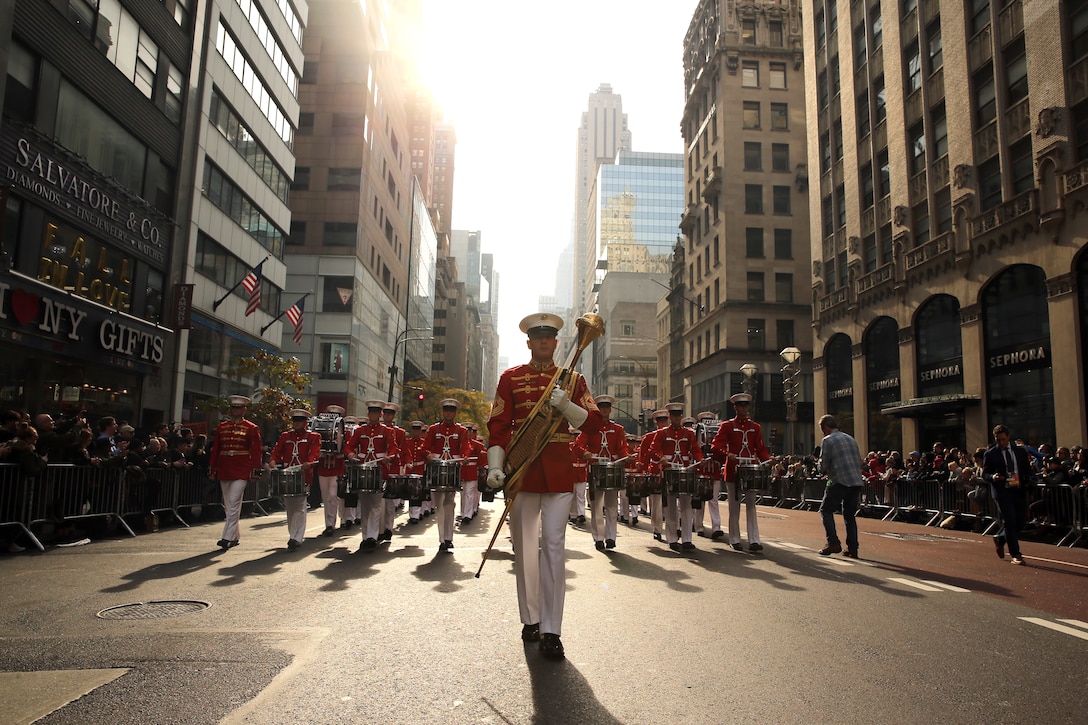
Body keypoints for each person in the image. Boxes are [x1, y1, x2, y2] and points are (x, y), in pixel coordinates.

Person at [485, 312, 603, 659]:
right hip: (522, 471)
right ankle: (531, 618)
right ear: (529, 343)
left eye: (548, 338)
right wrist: (495, 467)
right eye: (537, 338)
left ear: (556, 343)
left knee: (553, 547)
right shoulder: (510, 378)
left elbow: (594, 424)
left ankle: (552, 629)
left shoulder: (573, 381)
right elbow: (499, 426)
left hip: (557, 470)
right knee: (524, 549)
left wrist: (566, 406)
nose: (542, 343)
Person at [710, 393, 772, 552]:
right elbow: (716, 446)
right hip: (734, 470)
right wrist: (726, 455)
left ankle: (754, 540)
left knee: (751, 505)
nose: (744, 408)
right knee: (734, 506)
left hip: (750, 469)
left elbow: (761, 449)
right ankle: (735, 539)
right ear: (735, 407)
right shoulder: (727, 426)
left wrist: (769, 459)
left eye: (746, 406)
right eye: (740, 406)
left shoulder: (755, 427)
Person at [575, 394, 630, 551]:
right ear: (597, 410)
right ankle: (599, 537)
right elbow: (578, 446)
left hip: (612, 469)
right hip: (595, 470)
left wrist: (626, 457)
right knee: (597, 506)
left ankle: (611, 537)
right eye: (602, 408)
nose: (605, 410)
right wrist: (585, 453)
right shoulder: (589, 429)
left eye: (607, 407)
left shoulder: (618, 429)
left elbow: (623, 447)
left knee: (612, 506)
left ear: (610, 410)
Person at [208, 395, 263, 550]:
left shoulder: (251, 428)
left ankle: (226, 537)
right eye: (233, 407)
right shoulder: (222, 427)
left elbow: (256, 451)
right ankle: (235, 535)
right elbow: (216, 450)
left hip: (242, 468)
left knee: (233, 503)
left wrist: (255, 472)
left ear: (244, 409)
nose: (236, 410)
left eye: (239, 408)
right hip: (225, 468)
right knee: (229, 505)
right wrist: (212, 468)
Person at [344, 401, 399, 552]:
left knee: (375, 505)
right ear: (368, 414)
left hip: (379, 470)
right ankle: (365, 536)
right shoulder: (360, 430)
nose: (374, 415)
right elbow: (349, 445)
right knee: (365, 505)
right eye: (371, 412)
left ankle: (372, 537)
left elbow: (394, 447)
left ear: (380, 415)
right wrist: (349, 453)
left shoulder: (387, 431)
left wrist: (390, 456)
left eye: (376, 413)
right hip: (362, 469)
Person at [651, 402, 704, 552]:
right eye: (673, 415)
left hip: (685, 471)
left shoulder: (689, 433)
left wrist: (700, 460)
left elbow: (695, 450)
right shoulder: (661, 433)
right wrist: (660, 458)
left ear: (681, 416)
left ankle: (687, 539)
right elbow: (654, 449)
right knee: (671, 507)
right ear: (669, 417)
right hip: (669, 471)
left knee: (687, 506)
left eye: (678, 415)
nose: (676, 418)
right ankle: (672, 538)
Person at [421, 398, 472, 552]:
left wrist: (464, 457)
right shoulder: (433, 429)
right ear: (443, 412)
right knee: (439, 506)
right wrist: (428, 455)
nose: (448, 413)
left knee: (449, 504)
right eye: (446, 410)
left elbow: (466, 447)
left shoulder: (462, 430)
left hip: (453, 468)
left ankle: (448, 538)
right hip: (437, 468)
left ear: (455, 413)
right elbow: (425, 447)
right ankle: (442, 538)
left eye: (451, 410)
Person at [269, 409, 322, 550]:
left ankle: (297, 537)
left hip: (303, 474)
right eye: (295, 421)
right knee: (290, 506)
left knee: (300, 506)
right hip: (287, 473)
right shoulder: (286, 436)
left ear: (305, 422)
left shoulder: (313, 436)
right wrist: (273, 460)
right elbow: (277, 451)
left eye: (300, 421)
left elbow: (315, 452)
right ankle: (293, 534)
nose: (297, 423)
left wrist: (309, 462)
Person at [982, 424, 1032, 565]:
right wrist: (994, 477)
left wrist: (1031, 479)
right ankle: (1016, 554)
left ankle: (1001, 538)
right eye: (998, 440)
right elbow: (985, 474)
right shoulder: (990, 454)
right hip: (1002, 492)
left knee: (1020, 522)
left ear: (1008, 437)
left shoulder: (1020, 452)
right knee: (1009, 521)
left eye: (1003, 439)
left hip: (1018, 490)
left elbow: (1027, 470)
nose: (1001, 443)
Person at [815, 414, 865, 557]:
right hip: (855, 481)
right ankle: (853, 547)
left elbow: (823, 465)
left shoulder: (828, 440)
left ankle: (833, 542)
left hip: (839, 480)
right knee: (849, 515)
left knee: (826, 510)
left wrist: (819, 467)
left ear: (825, 427)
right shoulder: (850, 438)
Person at [314, 405, 348, 536]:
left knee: (333, 496)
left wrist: (342, 453)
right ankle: (328, 523)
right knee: (325, 497)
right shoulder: (320, 431)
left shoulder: (344, 430)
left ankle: (331, 524)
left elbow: (348, 446)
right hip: (324, 467)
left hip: (337, 468)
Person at [380, 402, 409, 541]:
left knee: (390, 502)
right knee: (378, 502)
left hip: (393, 468)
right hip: (378, 469)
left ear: (393, 416)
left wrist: (405, 465)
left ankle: (388, 528)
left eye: (390, 414)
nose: (388, 416)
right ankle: (379, 530)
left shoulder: (400, 432)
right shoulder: (377, 429)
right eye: (386, 414)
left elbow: (404, 450)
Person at [460, 423, 486, 524]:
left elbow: (481, 459)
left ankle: (468, 514)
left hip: (472, 471)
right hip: (462, 471)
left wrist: (480, 470)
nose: (468, 433)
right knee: (463, 494)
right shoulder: (460, 444)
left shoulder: (478, 445)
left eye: (470, 431)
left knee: (469, 494)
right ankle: (463, 513)